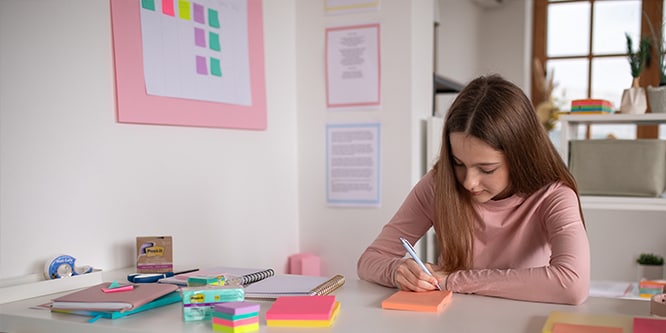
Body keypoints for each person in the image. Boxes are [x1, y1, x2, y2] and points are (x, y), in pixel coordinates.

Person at [357, 74, 590, 305]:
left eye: (487, 169)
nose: (469, 182)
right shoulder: (439, 184)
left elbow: (572, 284)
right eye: (459, 163)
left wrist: (454, 280)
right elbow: (369, 261)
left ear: (520, 157)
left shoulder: (554, 196)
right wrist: (397, 270)